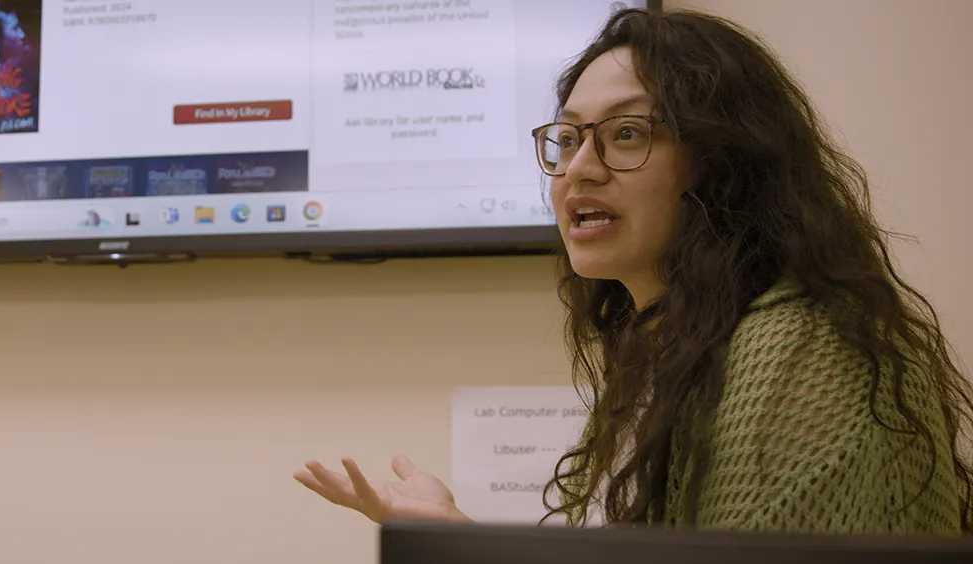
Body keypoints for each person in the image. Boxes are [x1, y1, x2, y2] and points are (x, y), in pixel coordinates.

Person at [294, 7, 973, 534]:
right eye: (568, 138)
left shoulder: (801, 356)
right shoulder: (665, 350)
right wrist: (460, 541)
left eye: (626, 134)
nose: (580, 169)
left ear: (724, 165)